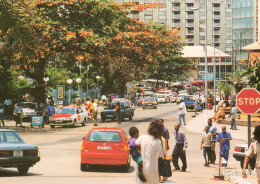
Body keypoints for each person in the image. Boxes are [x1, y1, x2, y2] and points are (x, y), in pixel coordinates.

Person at [135, 119, 164, 184]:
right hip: (153, 172)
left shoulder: (142, 138)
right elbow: (161, 156)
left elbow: (134, 146)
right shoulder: (159, 142)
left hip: (141, 170)